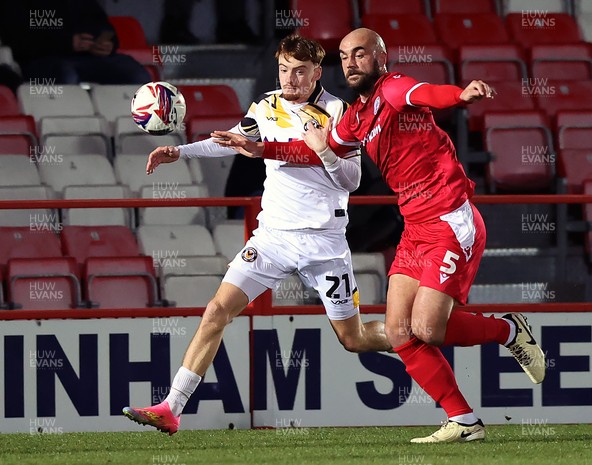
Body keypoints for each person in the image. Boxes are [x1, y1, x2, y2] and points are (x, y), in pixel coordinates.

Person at [218, 28, 547, 443]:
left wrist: (459, 95)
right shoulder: (357, 114)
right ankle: (463, 420)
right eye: (343, 56)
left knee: (428, 329)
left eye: (360, 54)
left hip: (448, 221)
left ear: (381, 57)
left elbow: (427, 93)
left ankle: (508, 331)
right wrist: (260, 148)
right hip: (415, 228)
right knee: (398, 332)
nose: (351, 62)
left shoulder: (393, 89)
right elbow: (316, 151)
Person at [122, 34, 391, 435]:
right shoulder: (267, 104)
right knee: (216, 311)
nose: (290, 78)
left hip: (324, 244)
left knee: (353, 340)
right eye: (284, 69)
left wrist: (325, 152)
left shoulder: (337, 112)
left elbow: (351, 180)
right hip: (272, 240)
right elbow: (233, 143)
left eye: (300, 71)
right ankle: (171, 408)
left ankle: (413, 329)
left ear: (317, 72)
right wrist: (181, 152)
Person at [0, 0, 150, 85]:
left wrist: (107, 43)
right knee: (66, 75)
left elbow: (104, 26)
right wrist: (68, 42)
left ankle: (133, 132)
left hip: (91, 58)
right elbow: (18, 38)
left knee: (136, 74)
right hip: (42, 59)